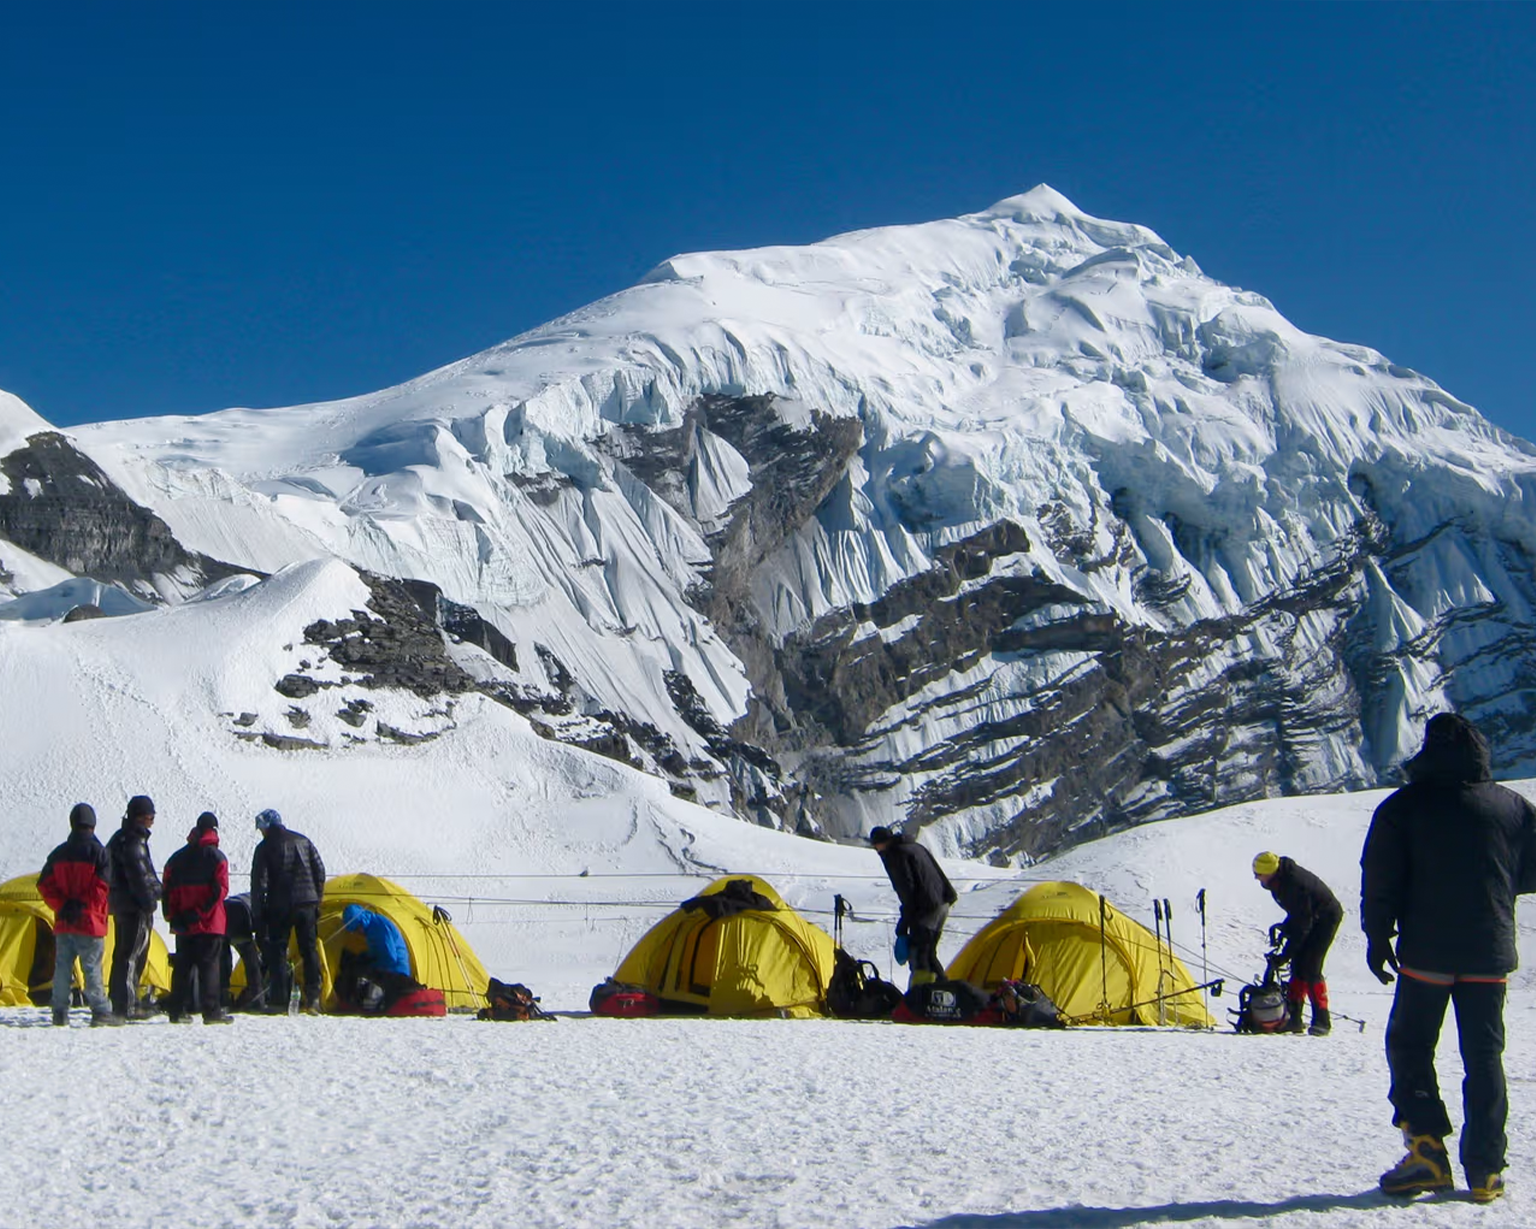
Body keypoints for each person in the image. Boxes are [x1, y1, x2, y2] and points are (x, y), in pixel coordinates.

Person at [1361, 711, 1536, 1202]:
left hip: (1426, 955)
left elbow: (1381, 879)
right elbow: (1530, 874)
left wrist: (1378, 937)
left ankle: (1426, 1153)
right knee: (1484, 1059)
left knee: (1411, 1045)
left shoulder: (1404, 807)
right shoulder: (1513, 809)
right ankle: (1486, 1172)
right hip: (1489, 954)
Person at [36, 803, 119, 1027]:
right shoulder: (100, 852)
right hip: (90, 922)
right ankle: (100, 1011)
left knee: (62, 968)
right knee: (91, 968)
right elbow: (101, 887)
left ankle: (60, 1012)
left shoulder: (58, 853)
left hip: (64, 921)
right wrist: (82, 906)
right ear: (92, 824)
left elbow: (43, 884)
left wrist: (63, 905)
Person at [1252, 850, 1343, 1035]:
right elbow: (1298, 913)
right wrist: (1286, 928)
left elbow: (1303, 922)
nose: (1257, 879)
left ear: (1269, 872)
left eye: (1259, 875)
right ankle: (1294, 1019)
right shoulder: (1281, 880)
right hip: (1311, 918)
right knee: (1298, 967)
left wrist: (1286, 954)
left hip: (1326, 919)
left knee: (1311, 967)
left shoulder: (1293, 884)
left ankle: (1322, 1021)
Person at [250, 808, 327, 1013]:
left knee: (278, 951)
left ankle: (280, 999)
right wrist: (317, 898)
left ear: (265, 827)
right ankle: (313, 999)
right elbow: (320, 871)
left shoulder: (265, 847)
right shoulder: (304, 841)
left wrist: (258, 915)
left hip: (280, 906)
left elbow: (259, 883)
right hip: (308, 903)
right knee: (309, 950)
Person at [161, 812, 232, 1025]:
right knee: (209, 966)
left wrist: (173, 916)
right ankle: (211, 1012)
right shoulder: (217, 858)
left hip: (183, 923)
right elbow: (220, 891)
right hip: (209, 923)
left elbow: (167, 891)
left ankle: (177, 1010)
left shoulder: (176, 858)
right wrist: (200, 914)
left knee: (182, 967)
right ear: (214, 831)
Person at [869, 825, 957, 988]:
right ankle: (942, 991)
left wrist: (904, 923)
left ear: (881, 843)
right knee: (929, 952)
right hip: (942, 902)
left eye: (876, 845)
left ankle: (922, 997)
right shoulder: (914, 846)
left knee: (920, 955)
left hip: (927, 907)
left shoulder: (895, 855)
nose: (876, 849)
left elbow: (907, 890)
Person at [105, 794, 160, 1019]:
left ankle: (122, 1000)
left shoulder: (120, 838)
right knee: (131, 955)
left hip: (121, 906)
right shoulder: (133, 841)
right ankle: (127, 1004)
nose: (152, 821)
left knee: (123, 954)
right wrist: (151, 901)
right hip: (134, 907)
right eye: (150, 816)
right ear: (141, 817)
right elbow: (139, 877)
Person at [336, 903, 416, 1011]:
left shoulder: (379, 926)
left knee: (358, 972)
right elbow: (377, 952)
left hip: (396, 971)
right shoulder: (371, 927)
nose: (358, 933)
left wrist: (372, 965)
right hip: (387, 968)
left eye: (357, 928)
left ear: (362, 920)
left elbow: (390, 958)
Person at [220, 892, 266, 1011]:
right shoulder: (267, 902)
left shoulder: (252, 895)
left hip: (223, 910)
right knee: (251, 961)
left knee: (223, 960)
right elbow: (262, 929)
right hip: (241, 914)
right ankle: (258, 999)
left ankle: (223, 997)